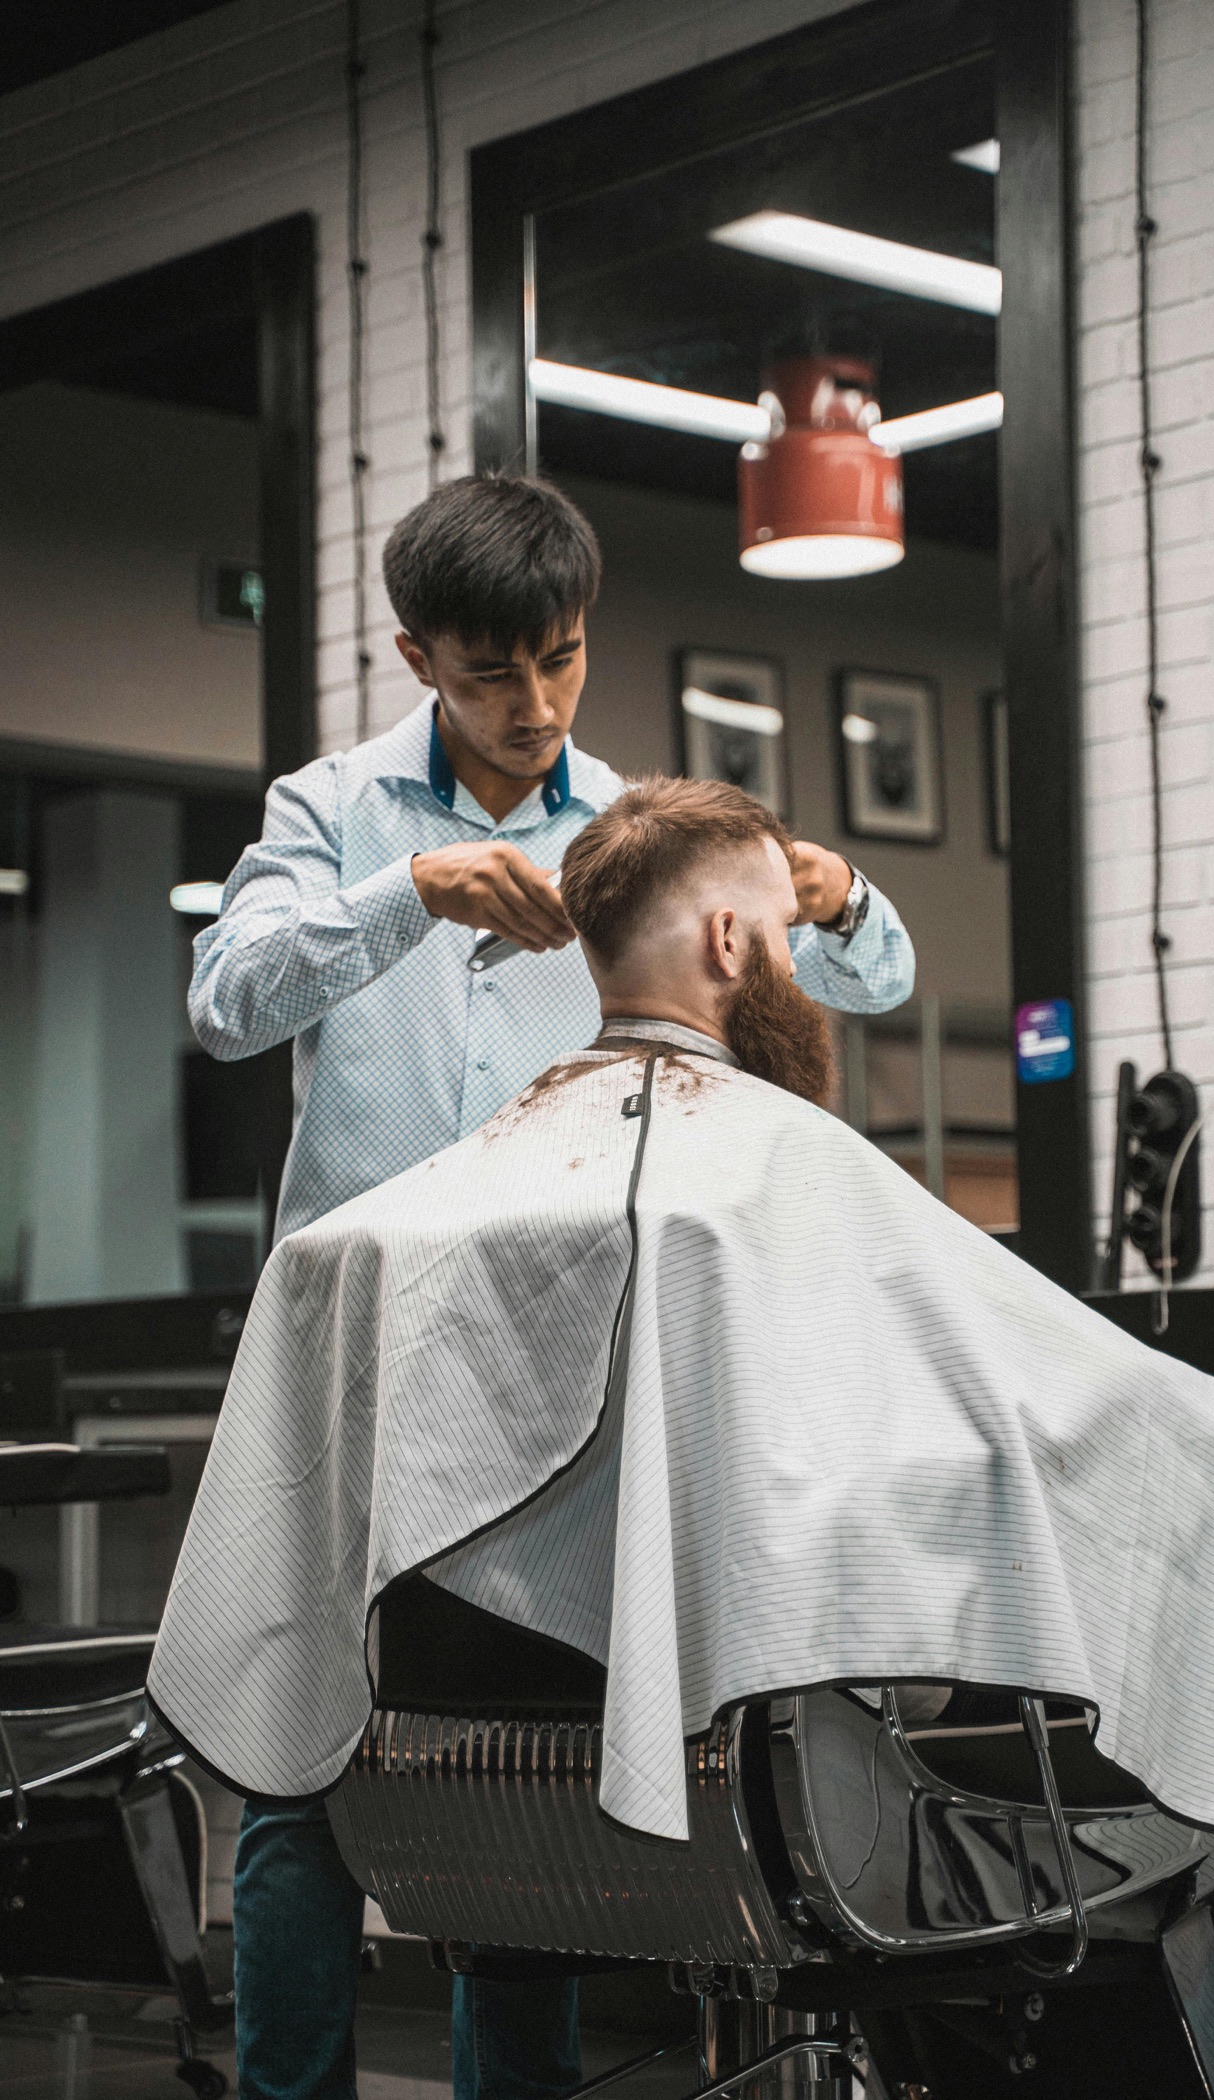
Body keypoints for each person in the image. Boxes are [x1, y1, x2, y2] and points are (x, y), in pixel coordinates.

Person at [155, 776, 1214, 2100]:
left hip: (466, 1835)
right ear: (734, 946)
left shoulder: (384, 1234)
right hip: (786, 1833)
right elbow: (1148, 1437)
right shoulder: (750, 1187)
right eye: (780, 932)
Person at [183, 475, 915, 2100]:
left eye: (563, 663)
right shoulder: (333, 812)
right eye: (491, 674)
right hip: (359, 1358)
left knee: (523, 1759)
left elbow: (871, 974)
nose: (533, 708)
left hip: (550, 1360)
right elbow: (229, 1001)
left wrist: (836, 892)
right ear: (417, 656)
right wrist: (406, 898)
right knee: (303, 1761)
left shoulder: (626, 832)